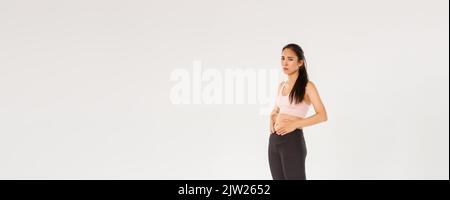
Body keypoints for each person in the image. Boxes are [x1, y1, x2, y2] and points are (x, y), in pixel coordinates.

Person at [268, 43, 328, 180]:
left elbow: (322, 115)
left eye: (290, 59)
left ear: (300, 62)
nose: (285, 62)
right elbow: (277, 109)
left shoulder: (308, 86)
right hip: (274, 141)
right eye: (282, 58)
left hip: (292, 141)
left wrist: (294, 124)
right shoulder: (281, 86)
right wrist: (271, 116)